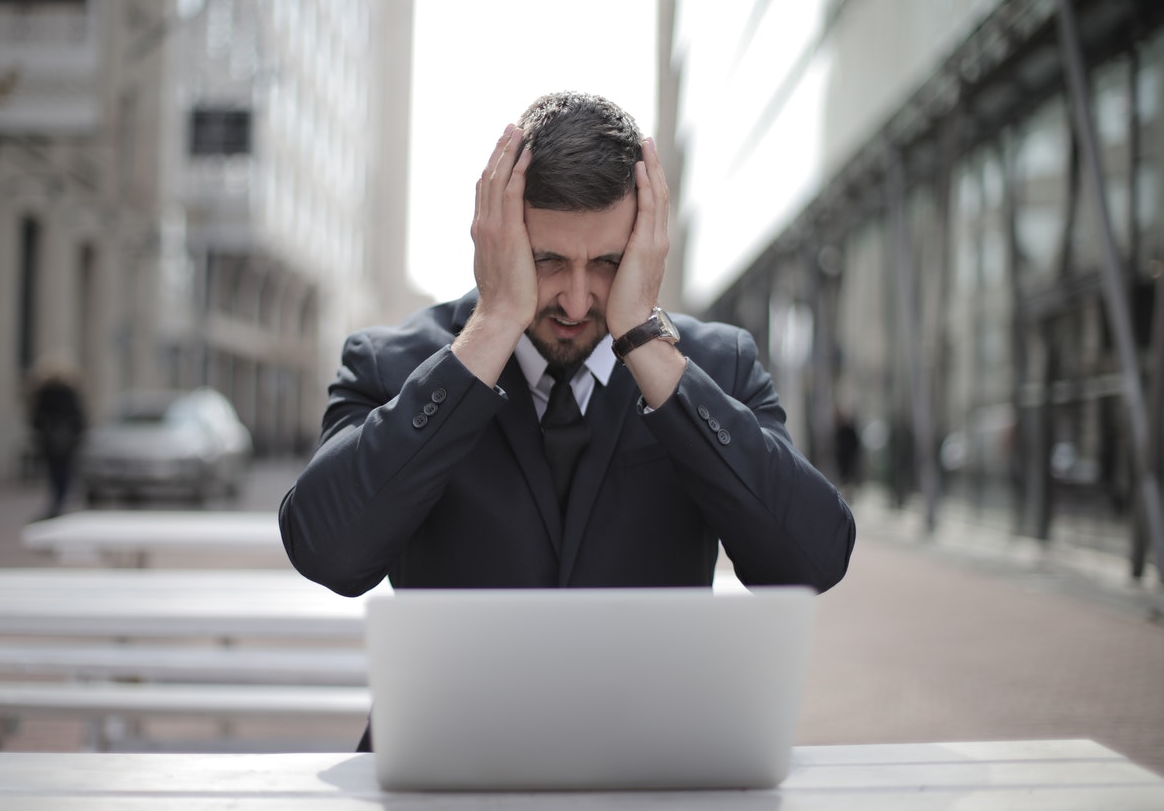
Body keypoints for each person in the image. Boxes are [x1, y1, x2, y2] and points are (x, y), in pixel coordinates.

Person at [279, 92, 856, 747]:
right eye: (548, 259)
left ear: (647, 243)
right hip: (443, 774)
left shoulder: (713, 367)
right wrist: (493, 325)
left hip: (651, 777)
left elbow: (813, 558)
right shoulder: (390, 363)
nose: (578, 300)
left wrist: (644, 341)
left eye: (607, 263)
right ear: (496, 236)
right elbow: (328, 552)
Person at [28, 354, 87, 519]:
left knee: (54, 472)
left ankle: (56, 502)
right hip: (67, 442)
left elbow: (36, 419)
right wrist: (76, 436)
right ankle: (60, 501)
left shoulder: (43, 392)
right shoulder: (70, 392)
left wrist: (43, 434)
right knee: (64, 472)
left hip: (49, 441)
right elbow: (79, 418)